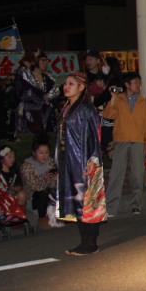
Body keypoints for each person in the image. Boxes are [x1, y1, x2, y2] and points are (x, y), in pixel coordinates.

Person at [54, 72, 107, 256]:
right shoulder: (68, 107)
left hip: (84, 161)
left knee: (88, 201)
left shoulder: (86, 109)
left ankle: (90, 243)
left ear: (81, 87)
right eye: (65, 84)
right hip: (70, 161)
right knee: (78, 201)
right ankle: (85, 241)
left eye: (71, 84)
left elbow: (94, 136)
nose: (66, 87)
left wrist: (92, 161)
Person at [101, 72, 146, 217]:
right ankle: (111, 208)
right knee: (116, 175)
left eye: (139, 82)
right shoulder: (118, 100)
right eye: (136, 82)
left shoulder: (144, 103)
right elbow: (108, 116)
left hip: (138, 142)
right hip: (121, 141)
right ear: (127, 85)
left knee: (138, 175)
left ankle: (136, 205)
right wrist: (112, 100)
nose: (139, 85)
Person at [13, 52, 55, 137]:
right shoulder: (24, 77)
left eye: (47, 60)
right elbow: (19, 95)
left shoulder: (48, 78)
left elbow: (55, 94)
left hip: (46, 118)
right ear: (33, 61)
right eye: (43, 60)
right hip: (27, 116)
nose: (46, 63)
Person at [20, 139, 59, 227]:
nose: (44, 156)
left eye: (46, 152)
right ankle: (42, 219)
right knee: (43, 193)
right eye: (41, 153)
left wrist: (55, 178)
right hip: (34, 196)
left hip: (49, 191)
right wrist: (46, 178)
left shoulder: (50, 162)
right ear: (34, 153)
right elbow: (35, 187)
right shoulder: (27, 166)